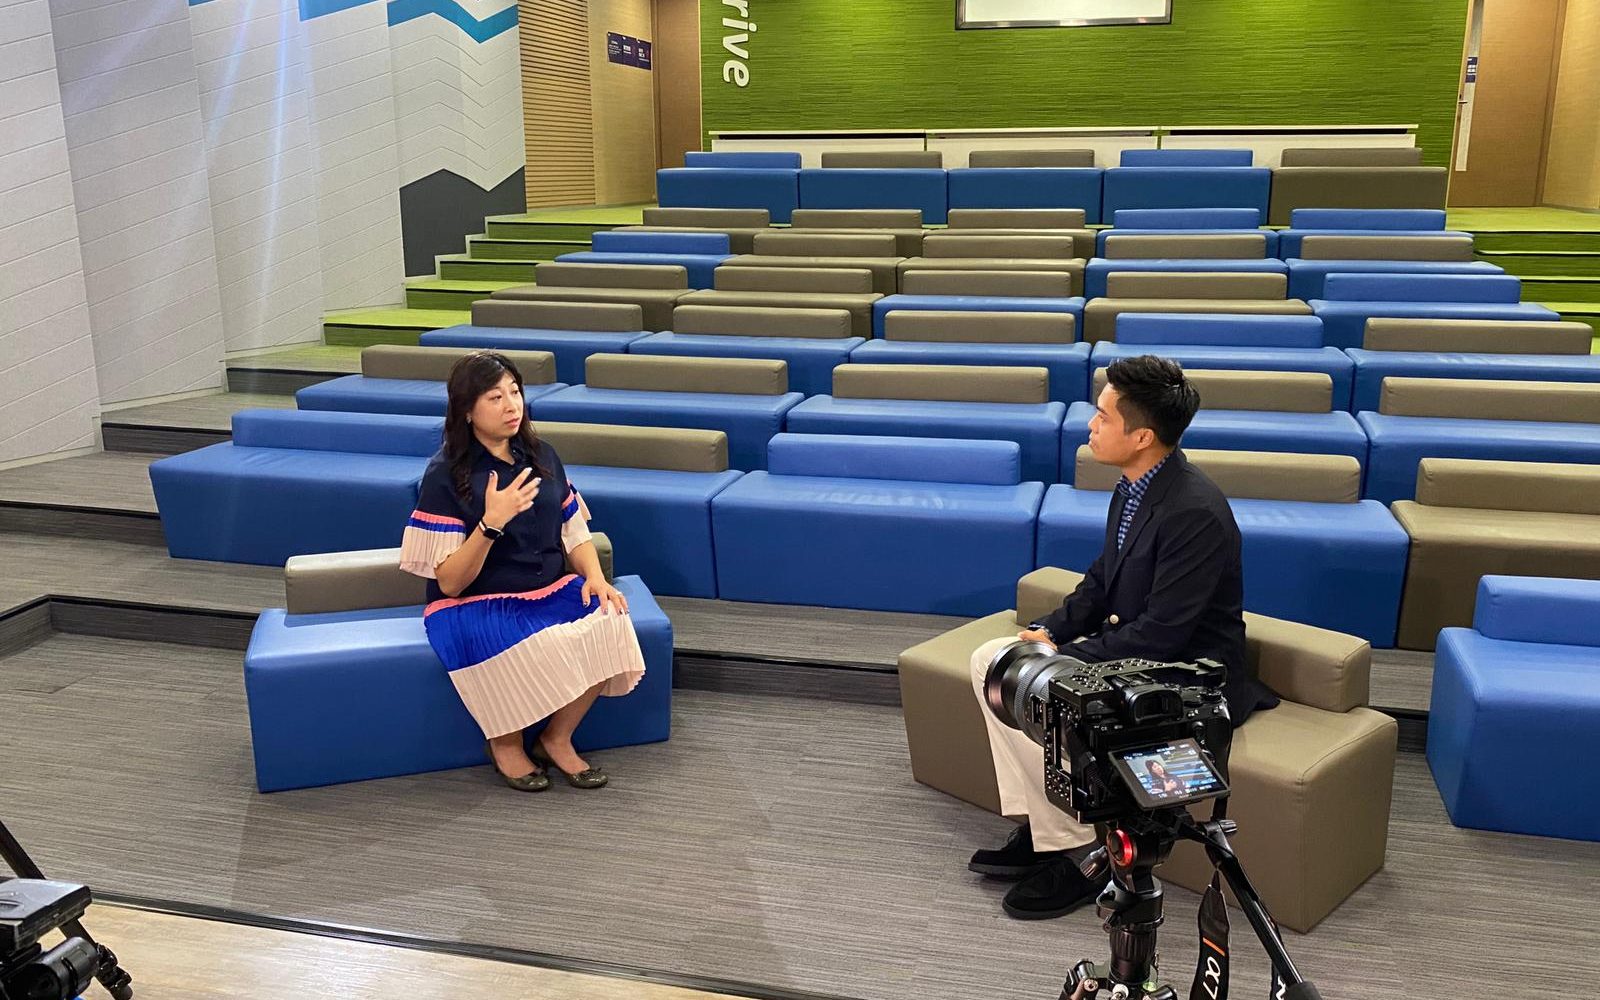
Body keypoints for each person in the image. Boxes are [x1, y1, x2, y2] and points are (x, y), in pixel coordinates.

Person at [966, 354, 1278, 919]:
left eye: (1104, 416)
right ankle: (1050, 829)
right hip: (1140, 652)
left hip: (1182, 677)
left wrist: (1068, 658)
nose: (1090, 424)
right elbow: (1103, 579)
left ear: (1142, 436)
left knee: (1040, 684)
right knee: (995, 661)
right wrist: (1051, 632)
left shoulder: (1195, 511)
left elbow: (1163, 634)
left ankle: (1078, 853)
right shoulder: (1134, 488)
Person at [400, 351, 645, 793]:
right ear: (467, 410)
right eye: (495, 398)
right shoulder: (445, 474)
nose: (511, 405)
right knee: (526, 641)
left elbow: (574, 531)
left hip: (546, 589)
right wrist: (491, 523)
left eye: (515, 392)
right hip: (474, 602)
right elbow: (450, 582)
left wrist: (595, 576)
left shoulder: (542, 454)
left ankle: (556, 738)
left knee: (611, 618)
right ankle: (506, 743)